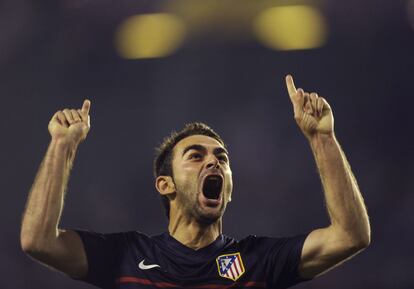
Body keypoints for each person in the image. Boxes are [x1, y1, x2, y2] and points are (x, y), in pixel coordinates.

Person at [20, 75, 370, 289]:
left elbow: (350, 236)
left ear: (229, 190)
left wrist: (322, 139)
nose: (213, 161)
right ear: (165, 185)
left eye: (221, 158)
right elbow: (38, 241)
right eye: (196, 156)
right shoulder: (126, 257)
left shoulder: (259, 261)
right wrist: (62, 146)